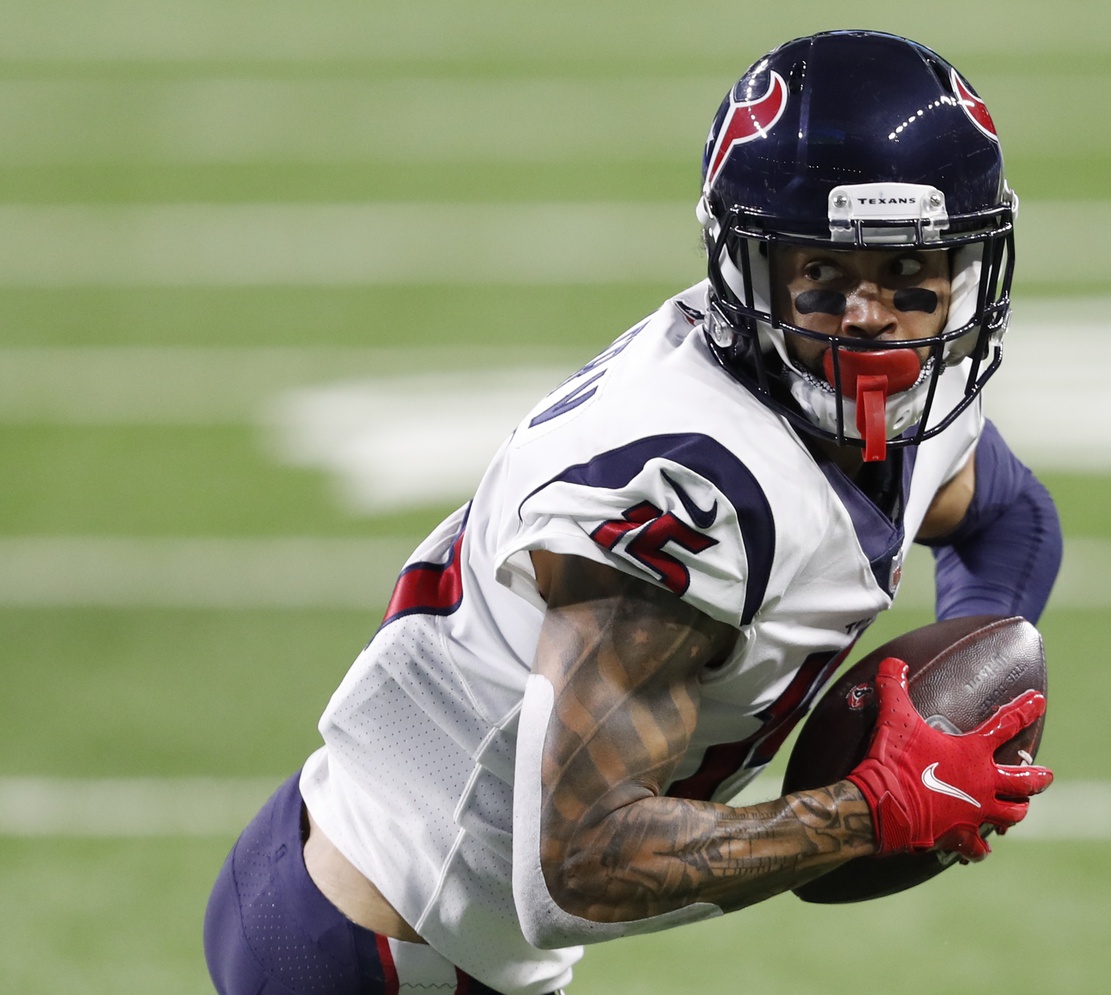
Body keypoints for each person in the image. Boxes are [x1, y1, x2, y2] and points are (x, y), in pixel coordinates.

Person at [204, 29, 1062, 995]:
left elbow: (1010, 515)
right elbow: (579, 867)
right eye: (820, 273)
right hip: (379, 949)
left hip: (420, 916)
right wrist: (874, 804)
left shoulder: (902, 403)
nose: (870, 316)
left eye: (909, 273)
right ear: (751, 267)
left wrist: (966, 685)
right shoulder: (693, 488)